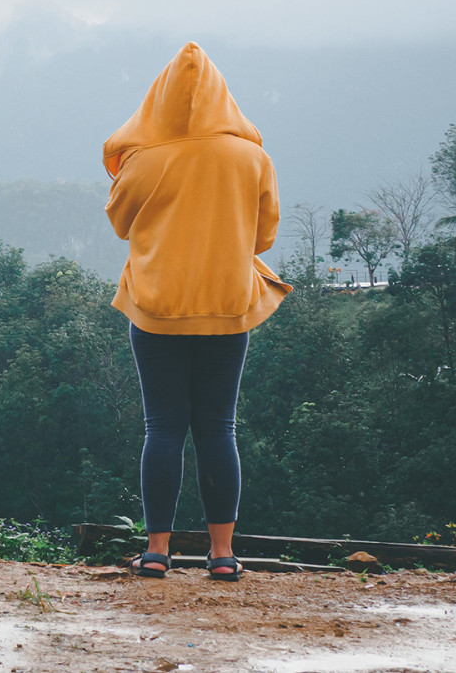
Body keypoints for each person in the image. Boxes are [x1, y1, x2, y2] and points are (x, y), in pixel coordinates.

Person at [102, 42, 290, 581]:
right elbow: (264, 236)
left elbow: (120, 222)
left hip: (157, 307)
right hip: (227, 306)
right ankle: (223, 555)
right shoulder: (252, 158)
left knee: (162, 427)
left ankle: (156, 552)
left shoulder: (144, 158)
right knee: (217, 427)